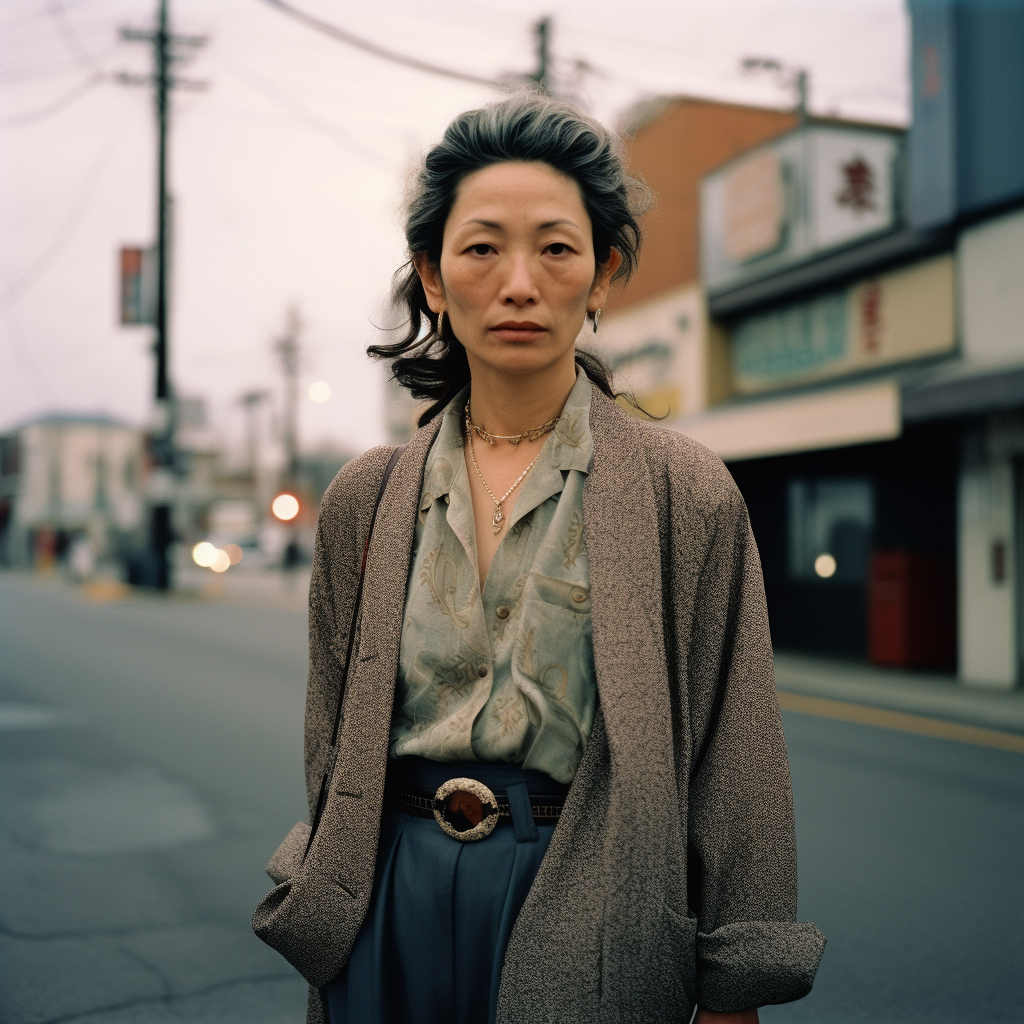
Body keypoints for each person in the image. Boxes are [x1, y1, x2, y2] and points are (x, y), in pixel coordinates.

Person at [254, 94, 825, 1024]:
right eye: (480, 248)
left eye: (556, 249)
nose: (518, 282)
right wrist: (323, 879)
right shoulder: (366, 495)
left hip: (590, 898)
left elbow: (739, 754)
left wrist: (737, 984)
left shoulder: (688, 491)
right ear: (434, 279)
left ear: (602, 277)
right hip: (385, 899)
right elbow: (331, 730)